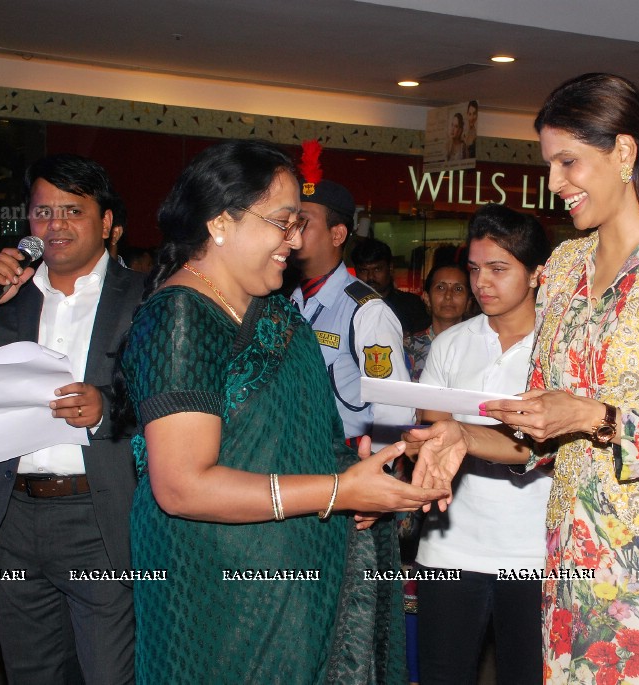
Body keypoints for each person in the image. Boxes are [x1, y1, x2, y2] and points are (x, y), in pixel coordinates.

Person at [409, 73, 639, 684]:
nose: (554, 184)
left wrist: (598, 418)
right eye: (549, 165)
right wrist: (461, 437)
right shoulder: (567, 267)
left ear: (624, 151)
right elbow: (538, 426)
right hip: (575, 565)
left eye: (568, 161)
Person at [120, 139, 446, 684]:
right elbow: (182, 487)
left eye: (299, 224)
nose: (294, 241)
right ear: (221, 222)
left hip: (293, 574)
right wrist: (339, 492)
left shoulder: (272, 310)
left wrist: (354, 479)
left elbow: (295, 441)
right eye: (283, 223)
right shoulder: (180, 318)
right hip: (218, 590)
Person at [0, 154, 145, 683]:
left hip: (102, 516)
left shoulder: (144, 297)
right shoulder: (3, 298)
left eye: (72, 210)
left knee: (110, 674)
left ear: (108, 222)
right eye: (43, 212)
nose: (55, 225)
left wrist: (104, 408)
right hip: (11, 519)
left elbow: (171, 402)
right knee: (32, 673)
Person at [414, 203, 551, 685]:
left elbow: (543, 443)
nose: (481, 284)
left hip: (533, 552)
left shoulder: (560, 347)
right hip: (450, 546)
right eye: (474, 269)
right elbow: (431, 430)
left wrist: (461, 435)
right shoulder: (452, 343)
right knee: (441, 673)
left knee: (527, 676)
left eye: (498, 269)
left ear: (537, 274)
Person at [291, 182, 414, 447]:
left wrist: (376, 469)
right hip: (295, 456)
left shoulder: (366, 310)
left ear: (337, 235)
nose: (291, 230)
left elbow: (394, 406)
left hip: (343, 460)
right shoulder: (288, 300)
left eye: (302, 222)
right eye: (289, 220)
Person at [405, 262, 471, 381]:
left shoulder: (480, 346)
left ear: (469, 302)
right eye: (440, 287)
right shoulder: (409, 347)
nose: (448, 296)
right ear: (426, 298)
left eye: (458, 289)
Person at [352, 236, 431, 335]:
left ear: (390, 268)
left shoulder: (413, 306)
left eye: (377, 269)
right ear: (356, 271)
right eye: (364, 270)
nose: (370, 277)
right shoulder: (349, 307)